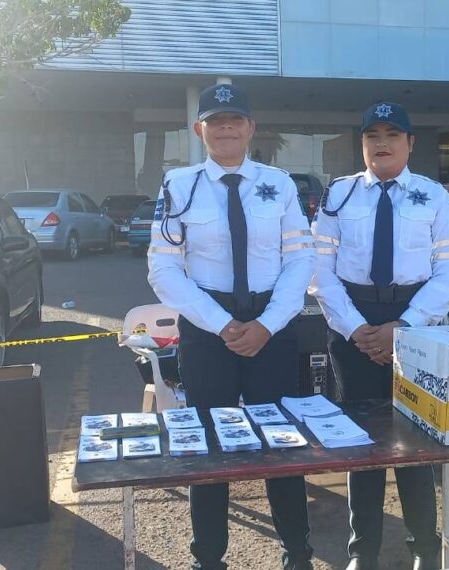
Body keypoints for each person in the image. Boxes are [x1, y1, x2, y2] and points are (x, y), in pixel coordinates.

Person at [147, 83, 315, 570]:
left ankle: (298, 552)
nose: (225, 128)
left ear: (250, 128)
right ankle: (209, 557)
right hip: (207, 326)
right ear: (199, 129)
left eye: (234, 119)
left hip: (272, 323)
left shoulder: (279, 184)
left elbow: (299, 259)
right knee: (209, 445)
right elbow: (163, 269)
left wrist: (266, 324)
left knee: (282, 441)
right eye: (215, 120)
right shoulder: (177, 186)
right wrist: (223, 326)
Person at [309, 101, 449, 570]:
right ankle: (364, 553)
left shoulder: (434, 196)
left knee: (417, 442)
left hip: (414, 322)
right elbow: (321, 270)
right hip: (353, 324)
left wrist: (406, 326)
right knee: (363, 445)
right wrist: (358, 329)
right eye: (372, 135)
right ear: (362, 144)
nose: (382, 144)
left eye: (392, 135)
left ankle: (425, 550)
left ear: (410, 143)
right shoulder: (338, 196)